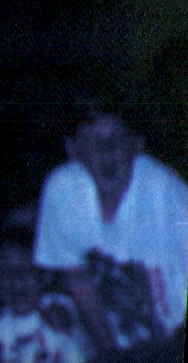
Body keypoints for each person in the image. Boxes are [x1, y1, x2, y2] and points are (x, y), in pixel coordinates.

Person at [32, 112, 187, 361]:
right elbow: (78, 279)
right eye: (92, 139)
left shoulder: (166, 195)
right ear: (73, 149)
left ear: (136, 146)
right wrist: (111, 354)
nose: (106, 149)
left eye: (118, 137)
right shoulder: (62, 191)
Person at [0, 230, 87, 363]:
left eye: (25, 270)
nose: (16, 280)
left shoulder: (58, 311)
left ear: (43, 274)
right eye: (6, 273)